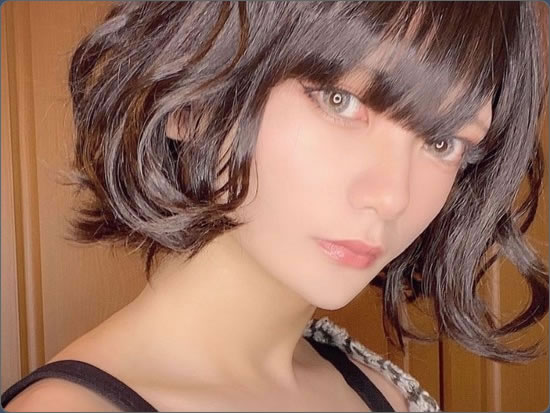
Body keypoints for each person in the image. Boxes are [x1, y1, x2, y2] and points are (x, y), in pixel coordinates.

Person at [2, 1, 548, 412]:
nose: (392, 197)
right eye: (340, 100)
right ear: (191, 98)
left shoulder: (384, 391)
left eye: (442, 141)